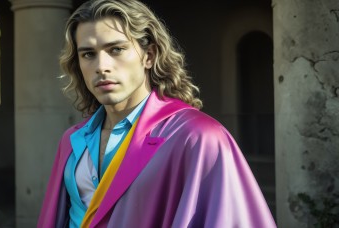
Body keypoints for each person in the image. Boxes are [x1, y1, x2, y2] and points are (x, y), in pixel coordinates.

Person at [38, 0, 277, 227]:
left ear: (149, 56)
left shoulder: (198, 137)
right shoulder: (71, 141)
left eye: (116, 49)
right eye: (88, 54)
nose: (102, 66)